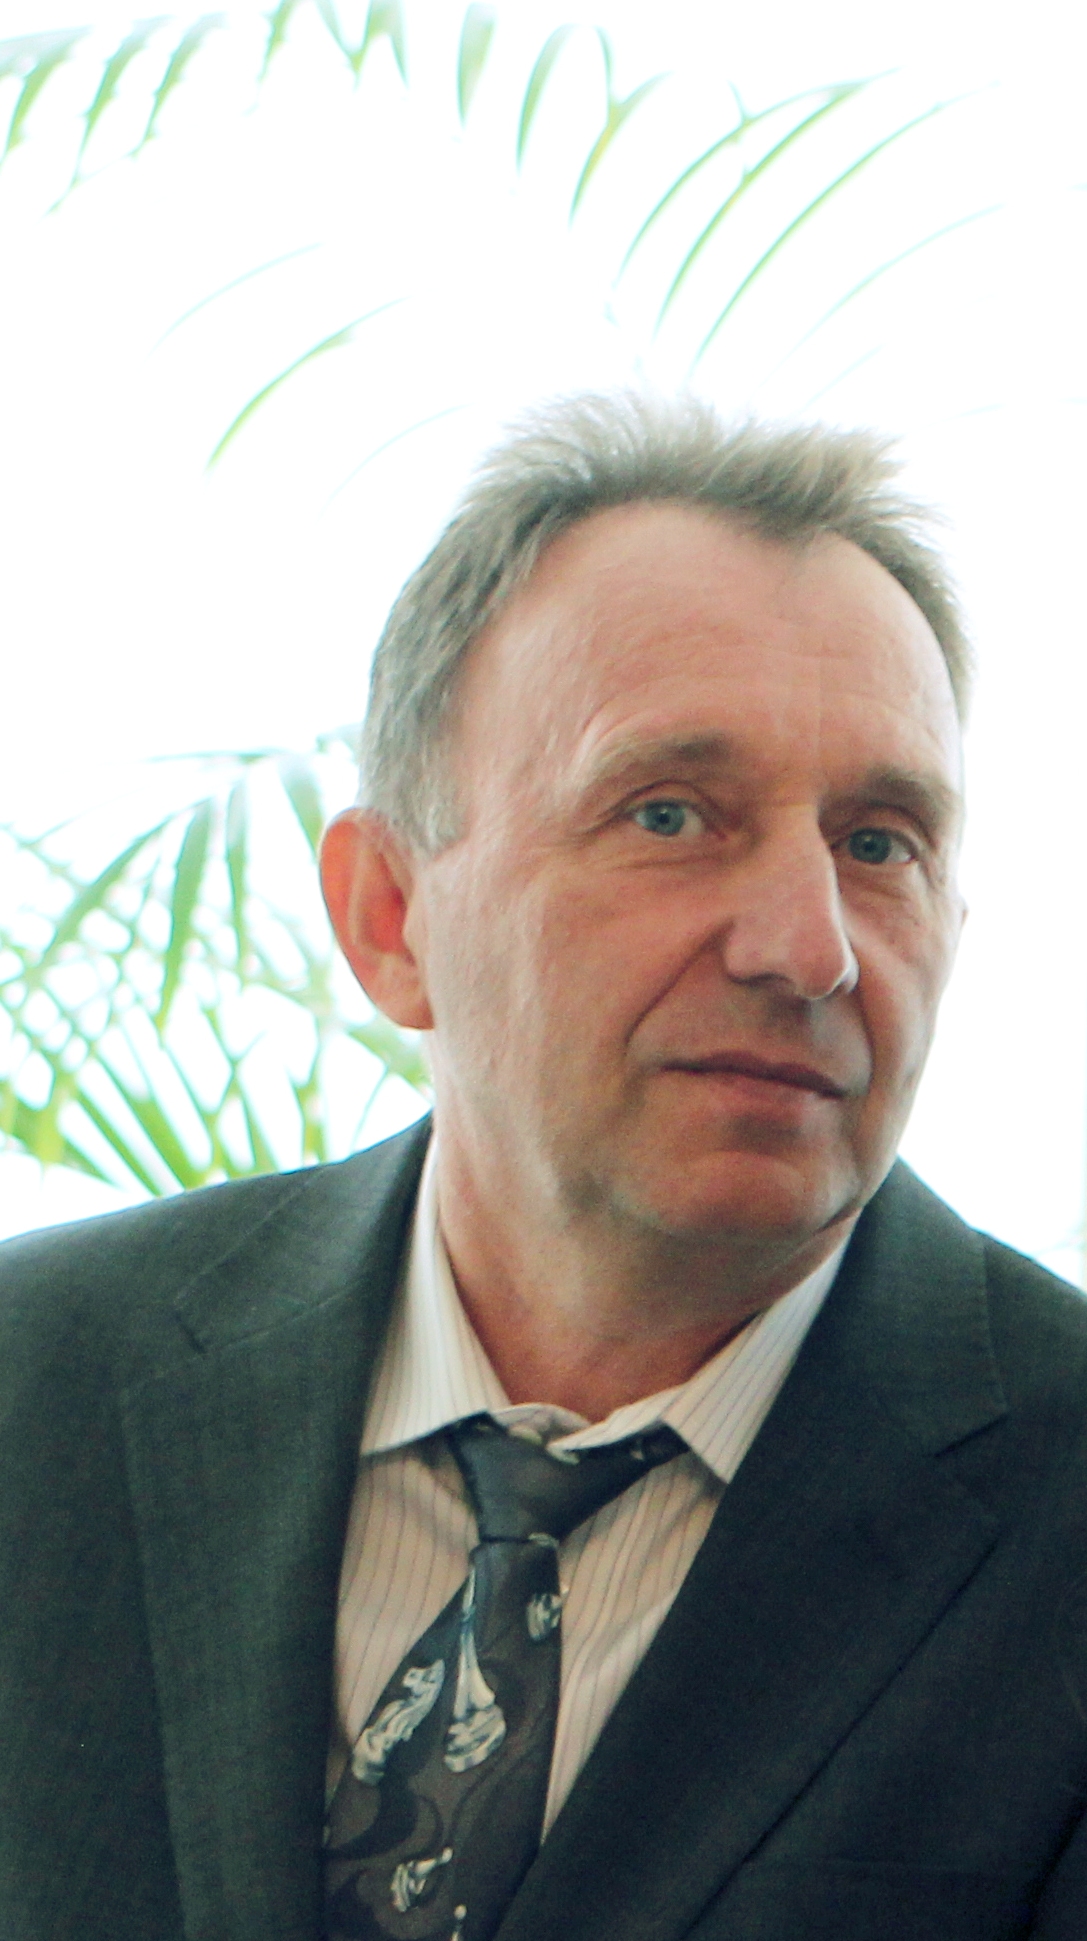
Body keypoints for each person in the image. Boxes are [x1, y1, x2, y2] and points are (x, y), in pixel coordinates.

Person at [2, 393, 1086, 1941]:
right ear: (390, 915)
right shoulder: (36, 1381)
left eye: (879, 842)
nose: (809, 948)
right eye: (671, 814)